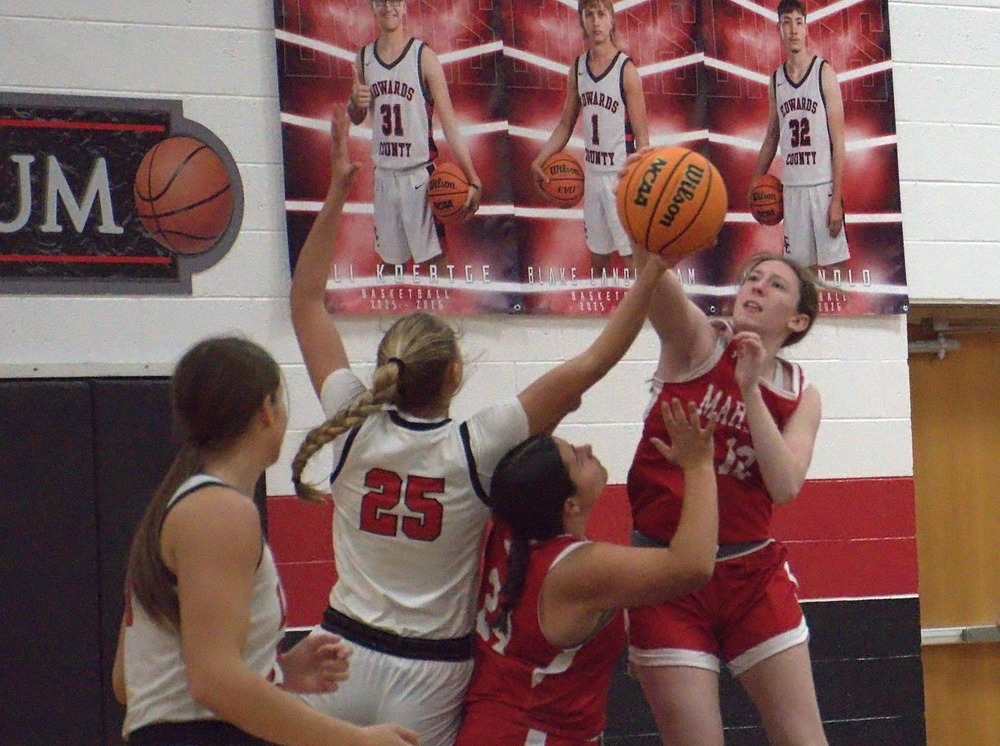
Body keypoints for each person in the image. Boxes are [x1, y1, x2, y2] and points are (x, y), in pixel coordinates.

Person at [288, 104, 670, 746]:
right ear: (456, 376)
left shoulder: (350, 422)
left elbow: (304, 305)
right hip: (428, 672)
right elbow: (594, 362)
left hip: (336, 651)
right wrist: (651, 269)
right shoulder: (476, 443)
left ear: (388, 366)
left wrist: (334, 197)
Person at [112, 337, 417, 746]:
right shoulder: (219, 511)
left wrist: (277, 671)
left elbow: (128, 681)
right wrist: (358, 740)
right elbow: (214, 682)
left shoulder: (183, 504)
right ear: (266, 411)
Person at [627, 254, 829, 745]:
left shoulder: (801, 392)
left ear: (798, 320)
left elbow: (784, 486)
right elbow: (658, 287)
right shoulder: (698, 343)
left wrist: (750, 390)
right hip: (666, 572)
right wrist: (645, 233)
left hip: (750, 575)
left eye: (776, 285)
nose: (757, 287)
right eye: (751, 278)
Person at [454, 400, 718, 745]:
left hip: (490, 726)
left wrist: (562, 404)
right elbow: (692, 566)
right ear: (570, 505)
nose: (588, 448)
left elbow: (530, 455)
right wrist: (699, 466)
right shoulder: (577, 569)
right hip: (528, 736)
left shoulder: (510, 521)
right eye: (578, 458)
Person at [347, 0, 481, 273]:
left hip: (420, 178)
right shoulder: (364, 58)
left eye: (394, 1)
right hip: (384, 176)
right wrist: (355, 103)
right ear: (372, 7)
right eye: (381, 2)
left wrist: (473, 178)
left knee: (435, 265)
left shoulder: (423, 57)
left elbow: (450, 125)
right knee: (389, 266)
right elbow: (357, 116)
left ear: (405, 5)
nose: (388, 8)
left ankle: (445, 314)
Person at [530, 0, 649, 276]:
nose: (596, 22)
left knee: (633, 261)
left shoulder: (626, 70)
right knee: (598, 260)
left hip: (621, 179)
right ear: (581, 20)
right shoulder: (578, 69)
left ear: (612, 19)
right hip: (592, 178)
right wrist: (541, 158)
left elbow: (643, 138)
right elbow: (565, 124)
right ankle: (602, 318)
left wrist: (639, 179)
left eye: (601, 14)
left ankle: (642, 318)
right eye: (589, 14)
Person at [749, 0, 849, 270]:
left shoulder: (823, 73)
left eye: (798, 22)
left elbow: (839, 143)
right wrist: (756, 181)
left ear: (806, 29)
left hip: (822, 188)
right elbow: (772, 135)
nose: (793, 29)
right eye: (786, 22)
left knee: (833, 270)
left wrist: (837, 199)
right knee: (799, 275)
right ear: (779, 29)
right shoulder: (776, 80)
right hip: (792, 190)